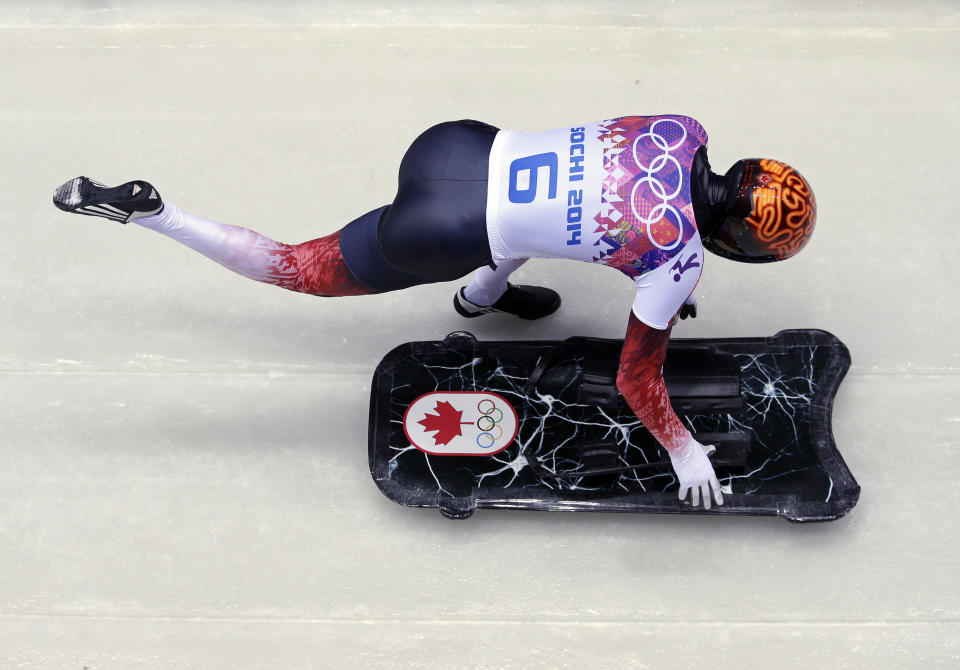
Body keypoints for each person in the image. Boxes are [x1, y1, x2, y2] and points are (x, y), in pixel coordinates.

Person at [52, 115, 817, 510]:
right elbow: (634, 380)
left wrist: (660, 275)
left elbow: (609, 204)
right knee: (302, 269)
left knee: (561, 216)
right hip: (446, 229)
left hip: (460, 146)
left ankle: (483, 294)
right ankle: (159, 215)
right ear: (740, 244)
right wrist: (682, 449)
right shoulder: (676, 257)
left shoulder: (681, 130)